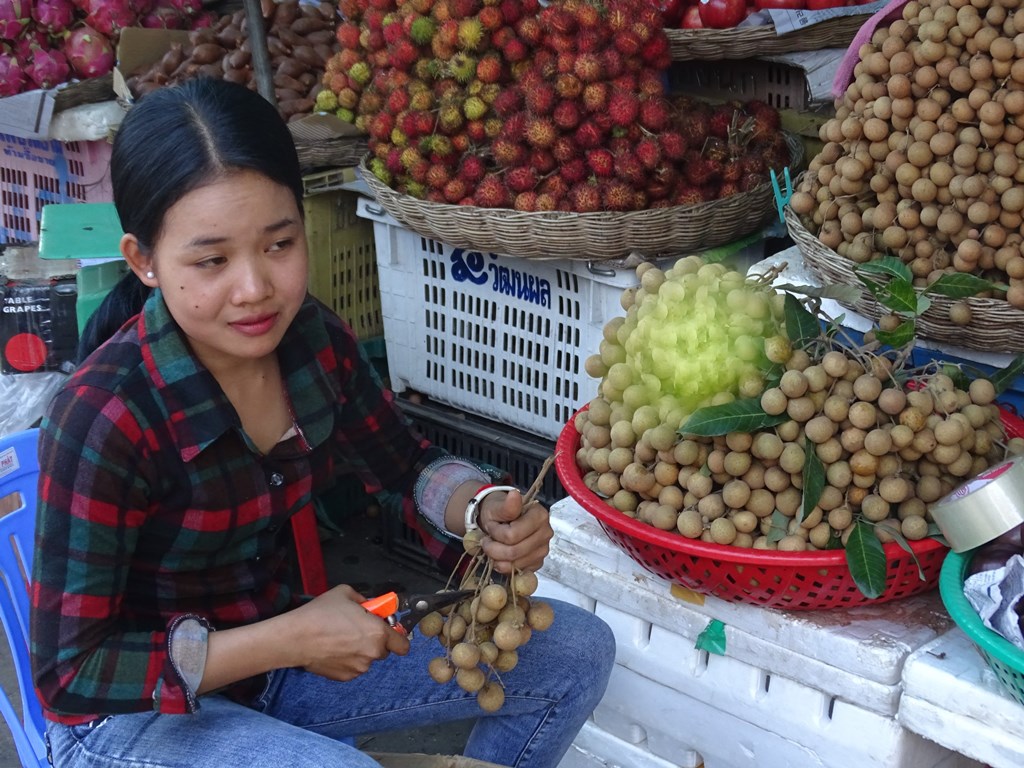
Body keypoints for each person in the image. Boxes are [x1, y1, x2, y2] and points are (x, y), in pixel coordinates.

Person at [30, 77, 615, 768]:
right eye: (212, 260)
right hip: (129, 718)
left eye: (279, 244)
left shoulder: (311, 342)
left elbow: (404, 464)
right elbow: (71, 676)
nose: (255, 288)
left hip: (268, 663)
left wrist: (478, 507)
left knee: (577, 653)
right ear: (144, 261)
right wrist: (292, 640)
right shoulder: (105, 415)